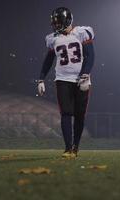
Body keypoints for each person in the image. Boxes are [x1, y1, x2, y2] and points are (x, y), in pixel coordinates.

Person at [37, 7, 95, 158]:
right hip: (62, 79)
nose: (56, 26)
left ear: (67, 20)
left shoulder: (82, 33)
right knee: (66, 113)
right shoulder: (52, 38)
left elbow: (90, 56)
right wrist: (41, 78)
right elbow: (48, 60)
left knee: (80, 115)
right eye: (54, 23)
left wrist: (85, 74)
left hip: (81, 79)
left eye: (58, 22)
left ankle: (75, 147)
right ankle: (68, 148)